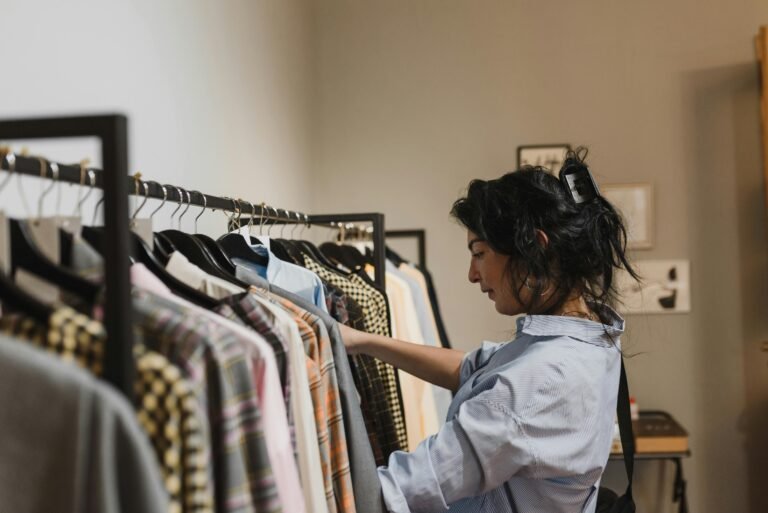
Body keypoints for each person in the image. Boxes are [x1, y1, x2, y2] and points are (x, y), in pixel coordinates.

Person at [338, 148, 640, 513]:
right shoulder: (590, 335)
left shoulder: (538, 381)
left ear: (535, 249)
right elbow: (472, 367)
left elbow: (402, 488)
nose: (472, 274)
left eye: (479, 253)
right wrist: (363, 341)